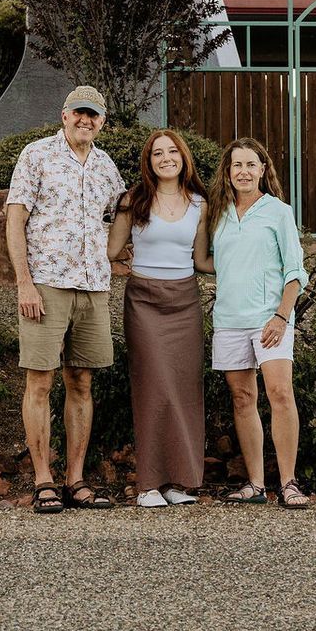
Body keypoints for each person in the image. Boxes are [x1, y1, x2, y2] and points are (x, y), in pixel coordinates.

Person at [5, 85, 127, 514]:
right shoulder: (36, 155)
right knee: (40, 380)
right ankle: (44, 481)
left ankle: (75, 479)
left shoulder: (106, 166)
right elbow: (15, 220)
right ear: (64, 114)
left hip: (93, 288)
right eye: (79, 112)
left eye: (93, 115)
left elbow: (122, 214)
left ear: (102, 122)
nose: (85, 120)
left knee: (82, 382)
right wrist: (24, 282)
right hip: (46, 286)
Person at [203, 137, 311, 509]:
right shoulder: (218, 213)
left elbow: (295, 272)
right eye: (237, 165)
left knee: (280, 394)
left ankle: (289, 483)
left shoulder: (278, 212)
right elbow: (208, 262)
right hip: (229, 320)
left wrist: (282, 316)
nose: (244, 172)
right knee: (242, 398)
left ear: (263, 170)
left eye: (251, 165)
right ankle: (255, 484)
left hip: (270, 320)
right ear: (228, 172)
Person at [107, 129, 208, 508]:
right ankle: (148, 484)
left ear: (183, 157)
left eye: (172, 151)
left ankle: (179, 482)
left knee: (184, 389)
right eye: (157, 154)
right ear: (149, 163)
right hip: (145, 302)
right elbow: (113, 250)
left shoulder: (200, 203)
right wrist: (129, 266)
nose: (166, 158)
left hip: (185, 303)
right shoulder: (134, 200)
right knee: (153, 387)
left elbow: (200, 261)